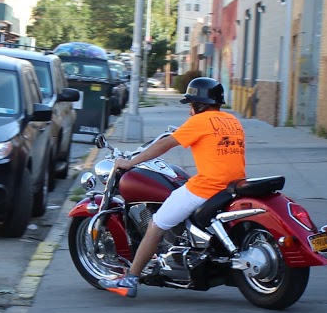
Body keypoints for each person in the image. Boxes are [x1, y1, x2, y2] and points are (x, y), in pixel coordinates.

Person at [98, 77, 245, 298]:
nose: (189, 112)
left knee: (157, 223)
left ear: (200, 104)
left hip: (207, 187)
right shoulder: (233, 121)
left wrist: (130, 162)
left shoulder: (200, 122)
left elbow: (165, 144)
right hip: (234, 185)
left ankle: (129, 279)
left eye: (191, 105)